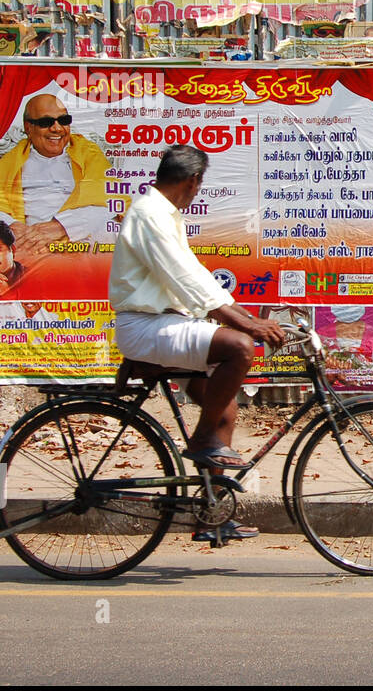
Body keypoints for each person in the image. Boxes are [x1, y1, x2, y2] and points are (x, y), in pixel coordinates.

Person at [109, 145, 285, 543]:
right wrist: (247, 326)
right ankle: (203, 440)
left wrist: (245, 317)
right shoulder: (149, 214)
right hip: (147, 326)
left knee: (225, 411)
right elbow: (185, 279)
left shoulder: (163, 215)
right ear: (193, 181)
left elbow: (197, 278)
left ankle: (213, 514)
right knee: (239, 348)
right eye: (198, 185)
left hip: (166, 325)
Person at [0, 91, 112, 259]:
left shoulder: (88, 154)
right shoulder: (13, 159)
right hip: (27, 241)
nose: (57, 128)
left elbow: (110, 202)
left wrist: (61, 227)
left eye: (63, 121)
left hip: (80, 236)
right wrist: (13, 227)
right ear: (28, 127)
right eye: (46, 122)